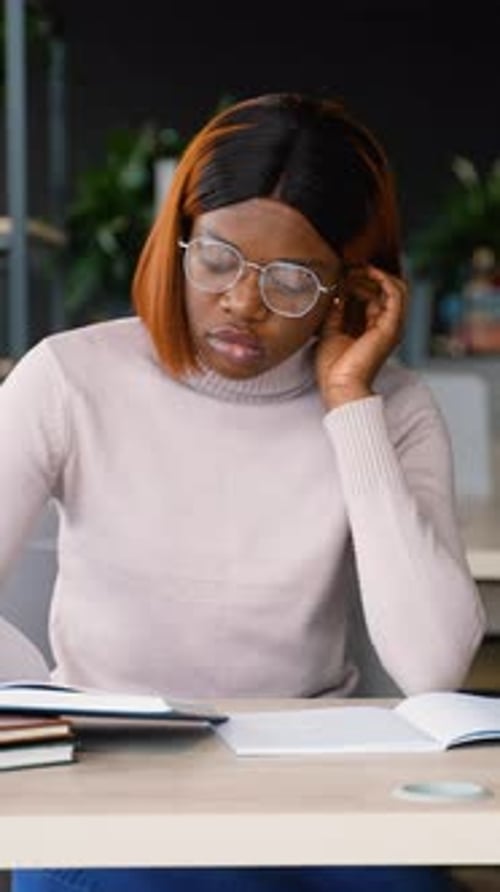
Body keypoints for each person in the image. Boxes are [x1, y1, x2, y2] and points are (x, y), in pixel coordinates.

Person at [2, 93, 484, 891]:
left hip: (315, 790)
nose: (243, 303)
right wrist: (53, 708)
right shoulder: (69, 377)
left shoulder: (389, 410)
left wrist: (349, 405)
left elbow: (433, 662)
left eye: (293, 281)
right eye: (217, 260)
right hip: (111, 789)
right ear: (178, 240)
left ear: (350, 287)